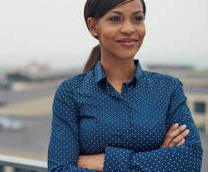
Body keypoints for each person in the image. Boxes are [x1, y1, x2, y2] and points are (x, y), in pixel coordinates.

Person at [48, 0, 203, 171]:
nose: (129, 28)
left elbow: (191, 159)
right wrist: (159, 158)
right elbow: (60, 169)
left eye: (137, 18)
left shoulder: (168, 88)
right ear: (93, 26)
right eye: (115, 19)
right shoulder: (70, 92)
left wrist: (106, 162)